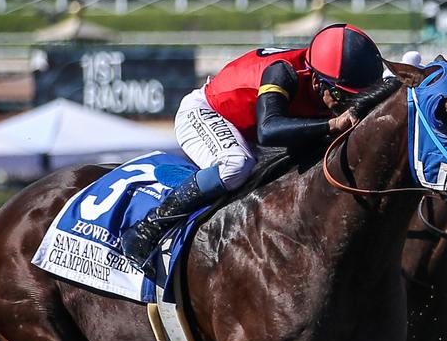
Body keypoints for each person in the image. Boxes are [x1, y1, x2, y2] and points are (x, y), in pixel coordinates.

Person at [120, 23, 385, 270]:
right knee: (236, 165)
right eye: (341, 96)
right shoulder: (283, 72)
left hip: (250, 127)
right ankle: (147, 229)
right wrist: (331, 125)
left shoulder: (324, 79)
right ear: (317, 82)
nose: (347, 105)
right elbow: (269, 130)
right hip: (207, 113)